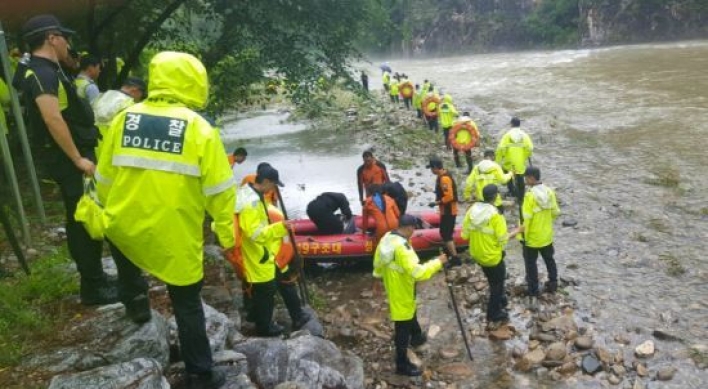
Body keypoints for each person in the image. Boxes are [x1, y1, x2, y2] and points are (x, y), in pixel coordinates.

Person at [95, 51, 235, 388]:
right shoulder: (200, 130)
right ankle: (200, 373)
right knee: (186, 302)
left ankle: (137, 305)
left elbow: (104, 178)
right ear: (194, 83)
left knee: (128, 259)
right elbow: (220, 190)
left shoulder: (123, 120)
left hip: (127, 222)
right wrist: (227, 235)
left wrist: (103, 210)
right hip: (174, 231)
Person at [19, 14, 117, 305]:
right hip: (68, 159)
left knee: (83, 217)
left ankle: (96, 277)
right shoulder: (42, 73)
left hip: (73, 154)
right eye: (64, 37)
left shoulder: (48, 68)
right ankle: (93, 288)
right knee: (82, 220)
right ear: (52, 38)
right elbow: (51, 117)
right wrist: (77, 159)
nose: (68, 43)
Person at [373, 214, 448, 376]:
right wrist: (438, 262)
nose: (414, 232)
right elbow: (418, 273)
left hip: (392, 284)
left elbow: (377, 262)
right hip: (402, 288)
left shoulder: (387, 237)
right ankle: (401, 364)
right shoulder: (402, 248)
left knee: (410, 311)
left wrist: (378, 278)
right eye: (413, 228)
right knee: (402, 325)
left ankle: (417, 337)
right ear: (408, 228)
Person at [235, 165, 290, 337]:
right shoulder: (252, 202)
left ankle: (254, 316)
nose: (273, 189)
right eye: (273, 185)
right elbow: (254, 233)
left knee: (258, 288)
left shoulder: (247, 192)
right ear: (266, 182)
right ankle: (265, 327)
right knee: (266, 289)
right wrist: (280, 228)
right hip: (256, 252)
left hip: (251, 251)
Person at [461, 185, 520, 329]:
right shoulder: (496, 215)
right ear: (495, 197)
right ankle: (493, 313)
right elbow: (503, 239)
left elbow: (464, 235)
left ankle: (501, 300)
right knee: (497, 284)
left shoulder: (471, 211)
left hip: (477, 253)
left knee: (492, 279)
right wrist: (518, 230)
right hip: (492, 256)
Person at [520, 166, 560, 296]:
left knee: (531, 264)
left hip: (532, 238)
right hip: (546, 235)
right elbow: (555, 212)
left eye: (526, 178)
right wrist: (546, 222)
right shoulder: (549, 192)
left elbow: (527, 219)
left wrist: (522, 236)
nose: (525, 180)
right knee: (549, 260)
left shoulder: (529, 196)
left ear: (531, 178)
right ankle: (553, 283)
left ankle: (533, 290)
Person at [92, 76, 147, 158]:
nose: (139, 99)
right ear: (135, 90)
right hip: (111, 149)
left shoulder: (102, 96)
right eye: (142, 96)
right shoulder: (129, 105)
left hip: (92, 145)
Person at [427, 157, 461, 266]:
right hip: (445, 210)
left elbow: (449, 196)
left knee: (446, 234)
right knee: (444, 232)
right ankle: (450, 253)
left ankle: (455, 258)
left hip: (449, 210)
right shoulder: (441, 176)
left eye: (431, 168)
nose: (431, 171)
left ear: (436, 168)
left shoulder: (444, 179)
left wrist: (436, 203)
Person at [496, 117, 533, 204]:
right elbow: (530, 148)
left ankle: (512, 191)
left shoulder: (507, 135)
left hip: (508, 162)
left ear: (511, 124)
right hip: (520, 162)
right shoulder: (524, 136)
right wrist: (525, 155)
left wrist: (498, 161)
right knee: (520, 180)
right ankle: (521, 198)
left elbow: (500, 148)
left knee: (508, 175)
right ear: (519, 124)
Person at [464, 149, 512, 214]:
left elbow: (469, 183)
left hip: (481, 200)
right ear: (492, 156)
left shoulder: (477, 168)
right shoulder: (495, 167)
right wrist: (510, 174)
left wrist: (467, 196)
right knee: (498, 217)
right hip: (494, 200)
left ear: (484, 157)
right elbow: (503, 180)